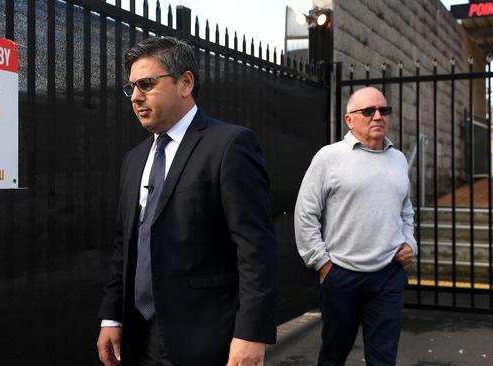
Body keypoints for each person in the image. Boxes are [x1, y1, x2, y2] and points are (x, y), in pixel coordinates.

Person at [96, 36, 278, 366]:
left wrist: (251, 332)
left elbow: (256, 248)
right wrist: (112, 317)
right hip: (140, 336)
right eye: (132, 87)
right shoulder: (134, 159)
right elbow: (126, 244)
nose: (136, 96)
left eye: (147, 84)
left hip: (207, 337)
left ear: (186, 83)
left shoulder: (230, 145)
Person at [294, 86, 416, 366]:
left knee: (384, 358)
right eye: (368, 111)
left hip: (388, 275)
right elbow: (305, 213)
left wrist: (410, 243)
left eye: (383, 110)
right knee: (334, 354)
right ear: (349, 119)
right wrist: (322, 263)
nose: (377, 116)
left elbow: (405, 209)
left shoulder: (397, 159)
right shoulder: (329, 157)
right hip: (341, 275)